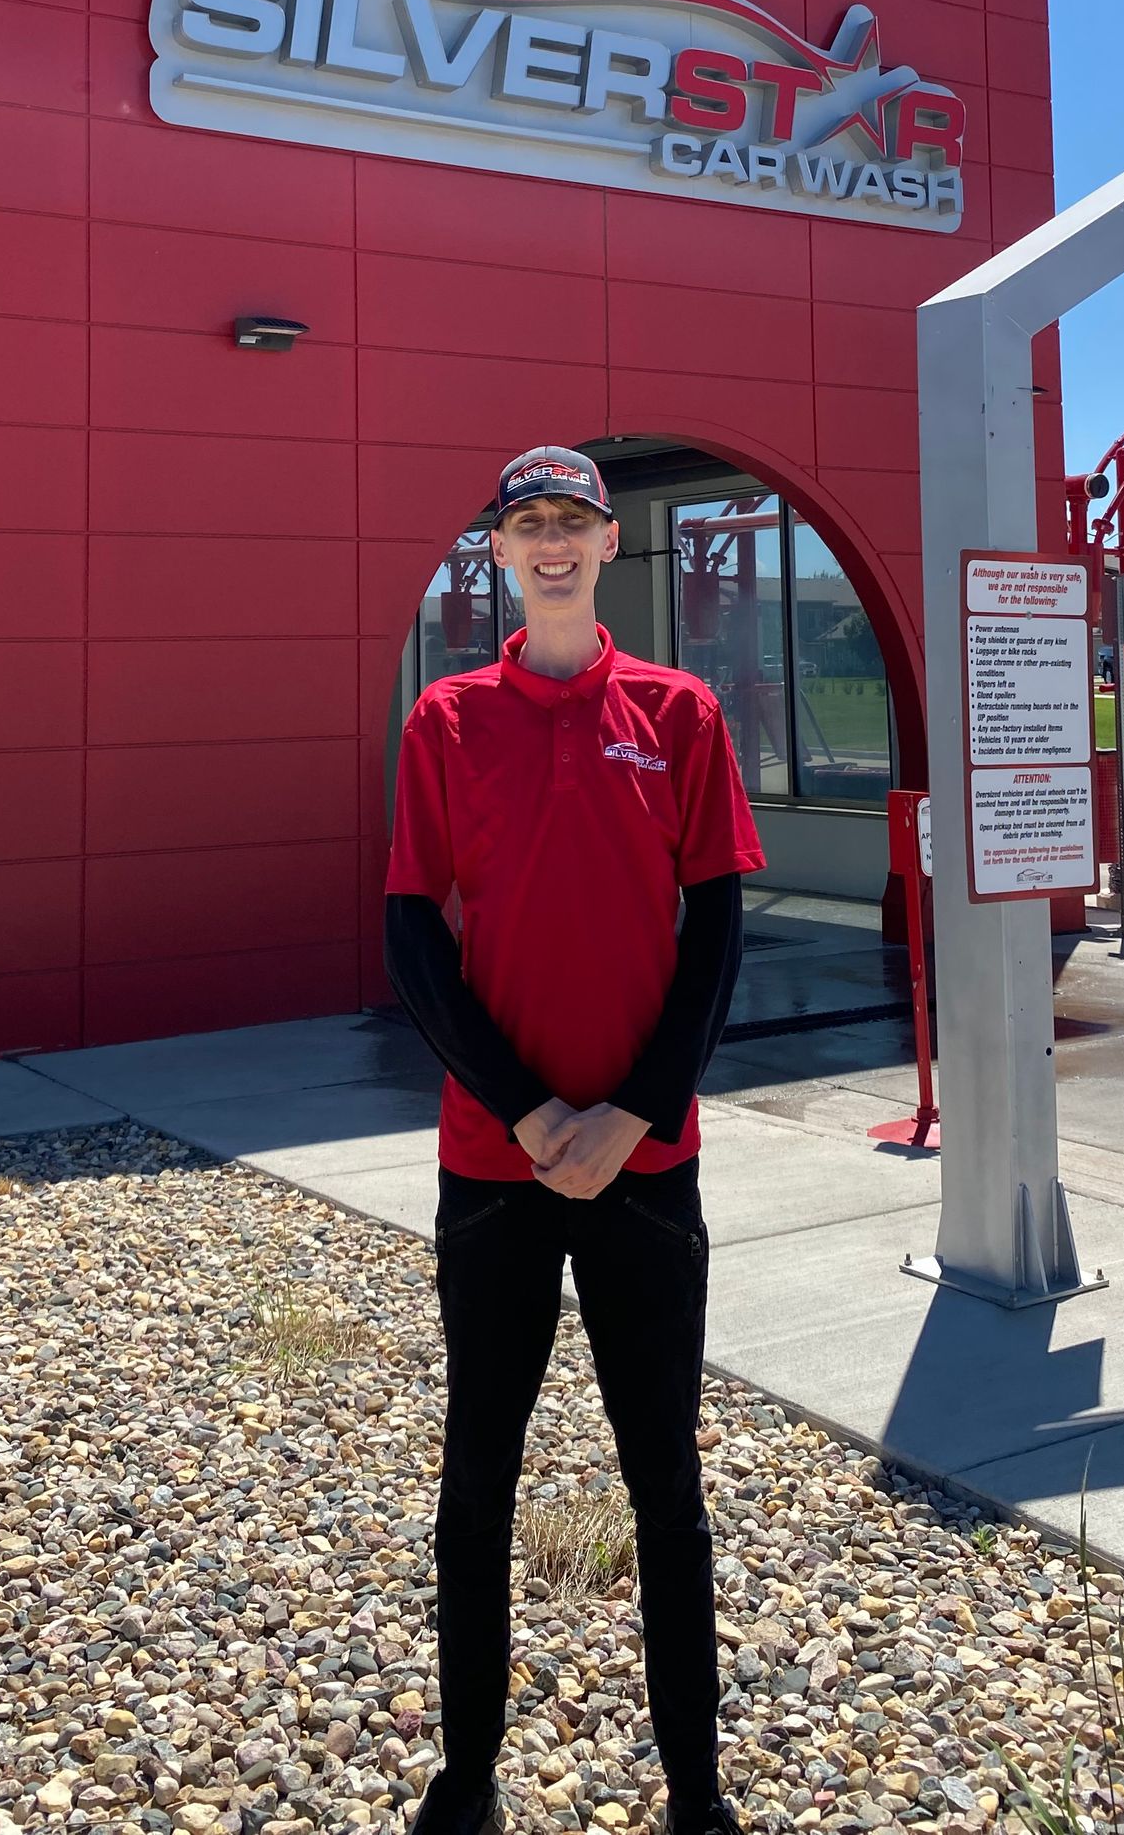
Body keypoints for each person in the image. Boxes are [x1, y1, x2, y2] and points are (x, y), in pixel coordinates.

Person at [385, 444, 766, 1835]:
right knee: (478, 1475)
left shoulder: (679, 713)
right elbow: (414, 937)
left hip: (646, 1170)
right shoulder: (446, 720)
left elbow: (715, 931)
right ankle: (467, 1782)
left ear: (609, 544)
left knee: (665, 1479)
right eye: (527, 524)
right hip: (497, 1167)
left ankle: (697, 1798)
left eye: (573, 522)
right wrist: (532, 1111)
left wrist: (635, 1111)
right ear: (497, 550)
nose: (552, 543)